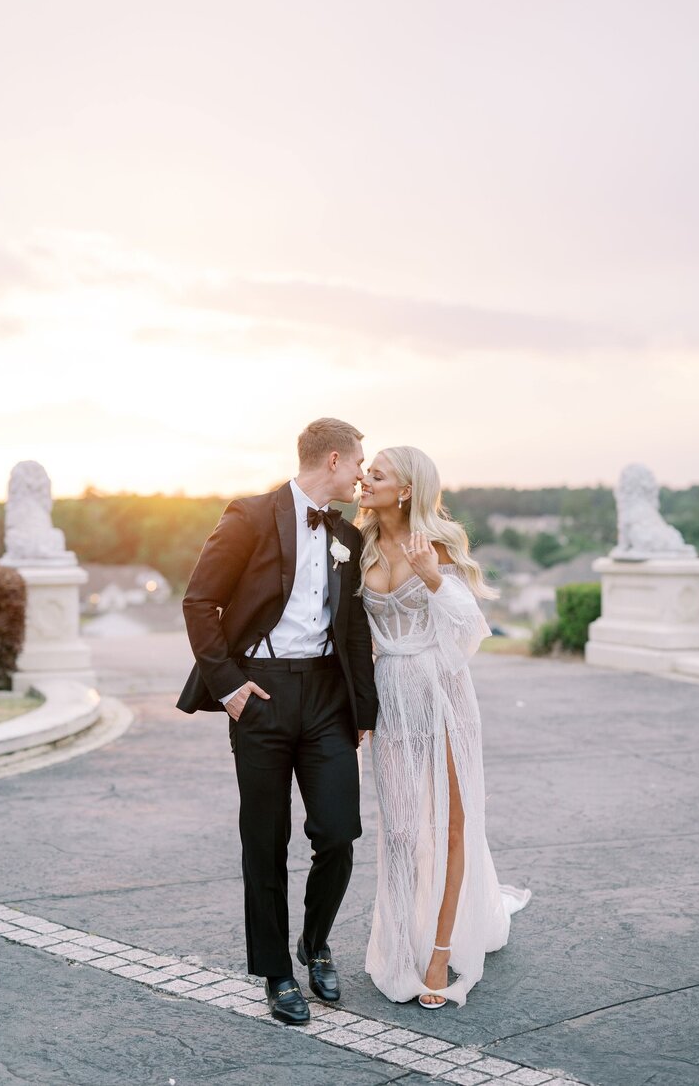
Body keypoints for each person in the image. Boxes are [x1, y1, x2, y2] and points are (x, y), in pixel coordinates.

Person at [177, 418, 378, 1025]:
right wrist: (230, 687)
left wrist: (362, 708)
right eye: (360, 464)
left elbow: (353, 627)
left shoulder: (347, 533)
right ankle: (276, 973)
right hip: (259, 693)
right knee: (264, 841)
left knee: (339, 832)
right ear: (335, 460)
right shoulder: (250, 515)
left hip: (326, 696)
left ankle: (315, 944)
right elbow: (198, 602)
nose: (364, 475)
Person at [358, 446, 530, 1008]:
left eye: (376, 475)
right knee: (403, 829)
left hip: (443, 694)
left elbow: (470, 631)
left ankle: (438, 953)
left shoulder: (439, 546)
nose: (365, 480)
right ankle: (400, 947)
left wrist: (433, 578)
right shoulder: (355, 546)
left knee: (453, 826)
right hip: (390, 698)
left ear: (405, 489)